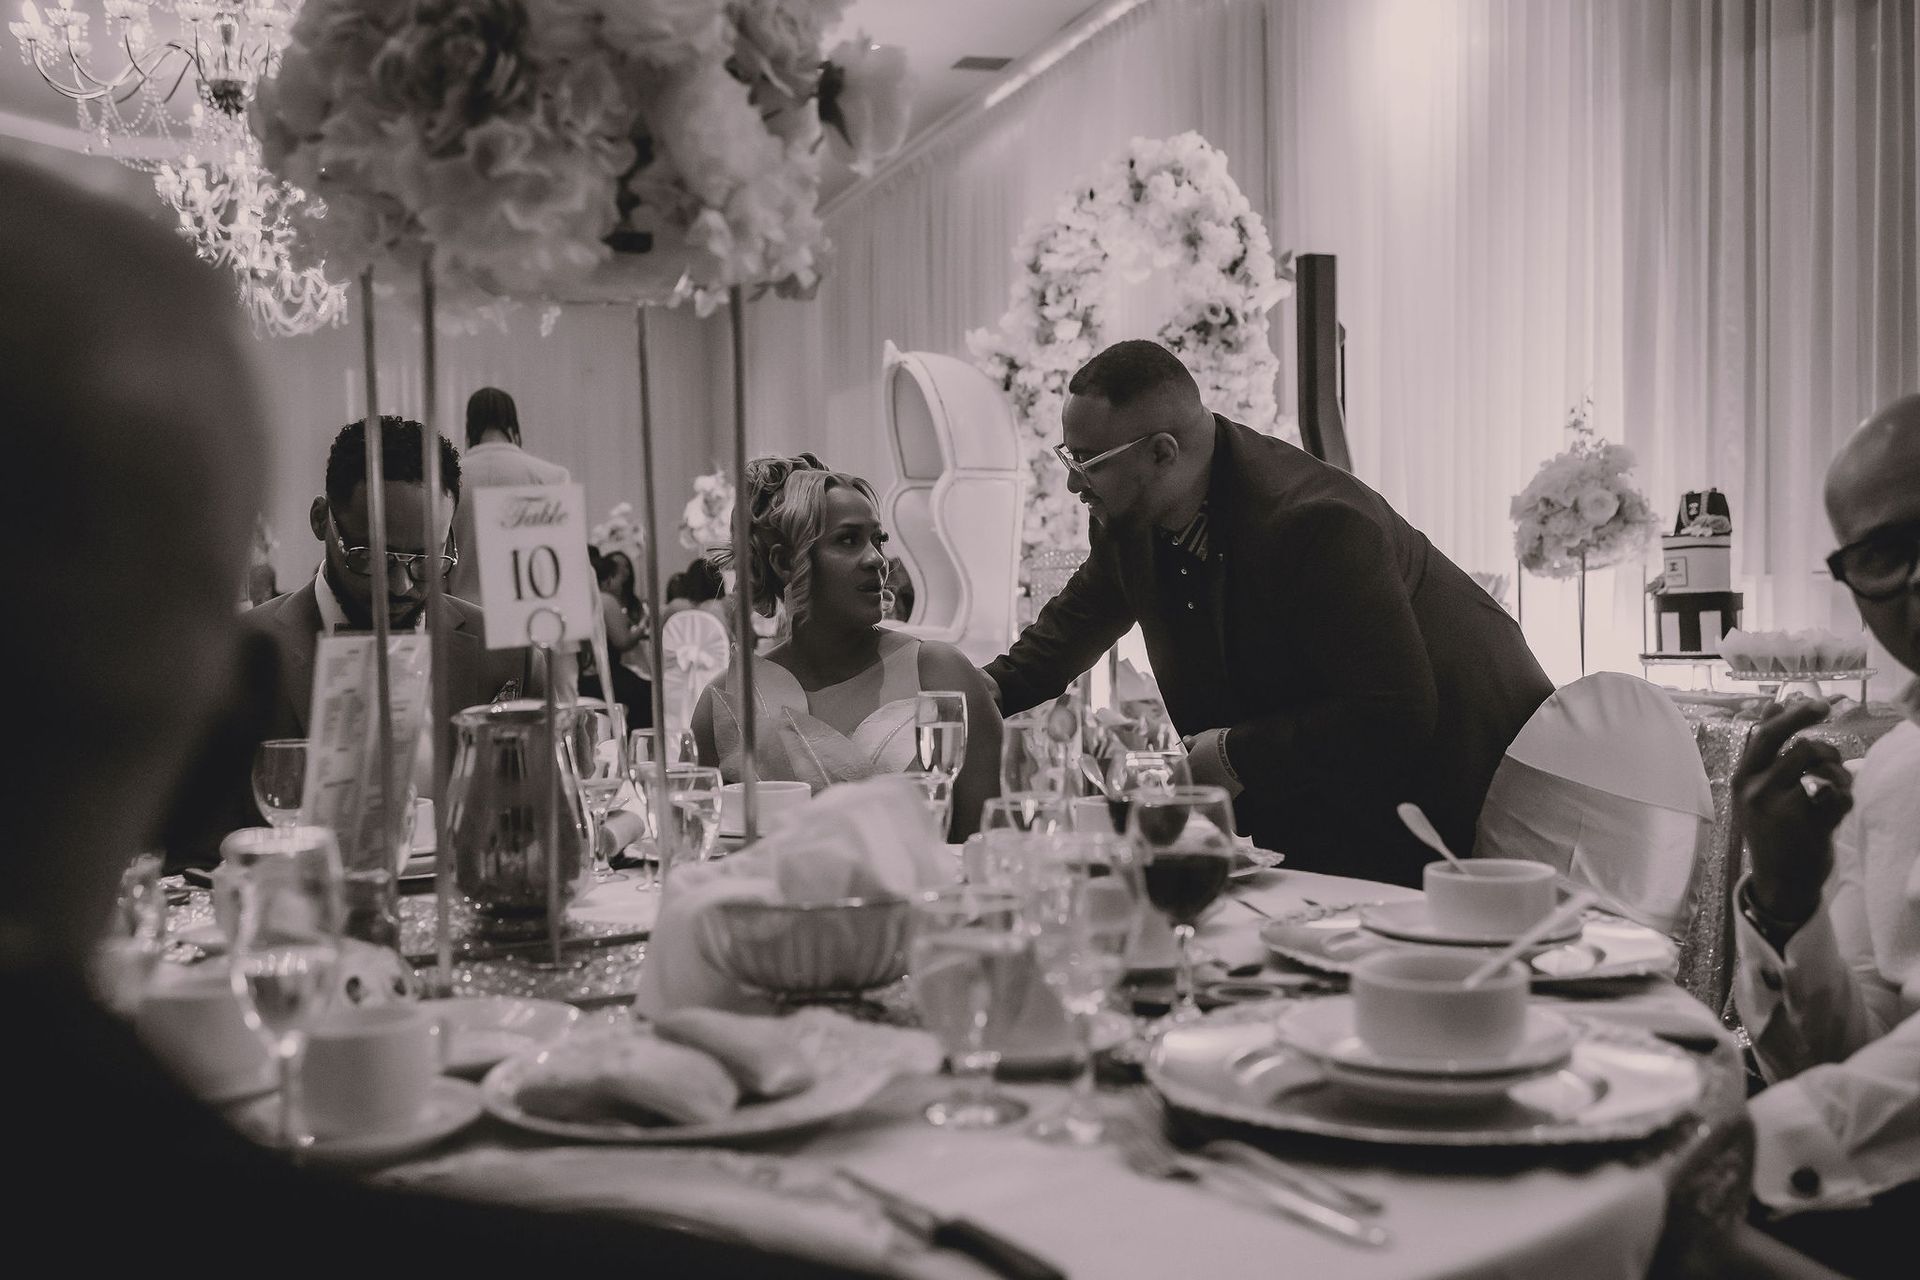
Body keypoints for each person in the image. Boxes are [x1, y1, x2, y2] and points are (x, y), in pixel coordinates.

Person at [0, 157, 880, 1276]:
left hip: (473, 965)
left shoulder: (485, 632)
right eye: (377, 554)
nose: (408, 583)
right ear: (320, 523)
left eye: (426, 558)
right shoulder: (252, 651)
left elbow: (547, 800)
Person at [984, 339, 1553, 885]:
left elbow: (1394, 712)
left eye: (1088, 461)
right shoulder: (1133, 513)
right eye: (1069, 456)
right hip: (1327, 795)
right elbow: (1078, 621)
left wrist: (1234, 756)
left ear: (1163, 452)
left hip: (1449, 795)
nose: (1070, 482)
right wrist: (985, 690)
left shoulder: (1315, 522)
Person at [1729, 394, 1920, 1278]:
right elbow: (1857, 1045)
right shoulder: (1896, 771)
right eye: (1887, 554)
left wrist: (1737, 1152)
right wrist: (1787, 903)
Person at [692, 455, 1001, 839]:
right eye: (848, 540)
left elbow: (989, 846)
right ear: (784, 562)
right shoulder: (725, 701)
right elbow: (697, 851)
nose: (877, 560)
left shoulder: (939, 674)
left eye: (878, 540)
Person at [447, 386, 570, 603]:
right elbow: (569, 562)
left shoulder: (448, 479)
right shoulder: (552, 477)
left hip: (463, 616)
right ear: (513, 422)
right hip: (529, 616)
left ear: (469, 423)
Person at [583, 547, 653, 731]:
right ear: (609, 579)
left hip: (584, 677)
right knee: (646, 690)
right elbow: (623, 642)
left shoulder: (586, 599)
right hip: (599, 678)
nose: (623, 583)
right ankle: (637, 744)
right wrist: (644, 624)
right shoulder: (605, 599)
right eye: (619, 578)